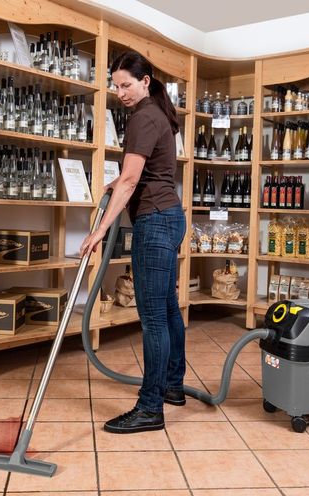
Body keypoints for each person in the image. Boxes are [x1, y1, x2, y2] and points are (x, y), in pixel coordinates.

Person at [79, 51, 186, 434]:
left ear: (145, 81)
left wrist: (99, 231)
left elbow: (130, 181)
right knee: (168, 309)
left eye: (126, 85)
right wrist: (119, 183)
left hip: (154, 222)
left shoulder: (143, 117)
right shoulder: (157, 112)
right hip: (170, 216)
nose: (120, 92)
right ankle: (172, 385)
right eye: (116, 86)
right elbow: (143, 173)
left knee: (154, 318)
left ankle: (150, 408)